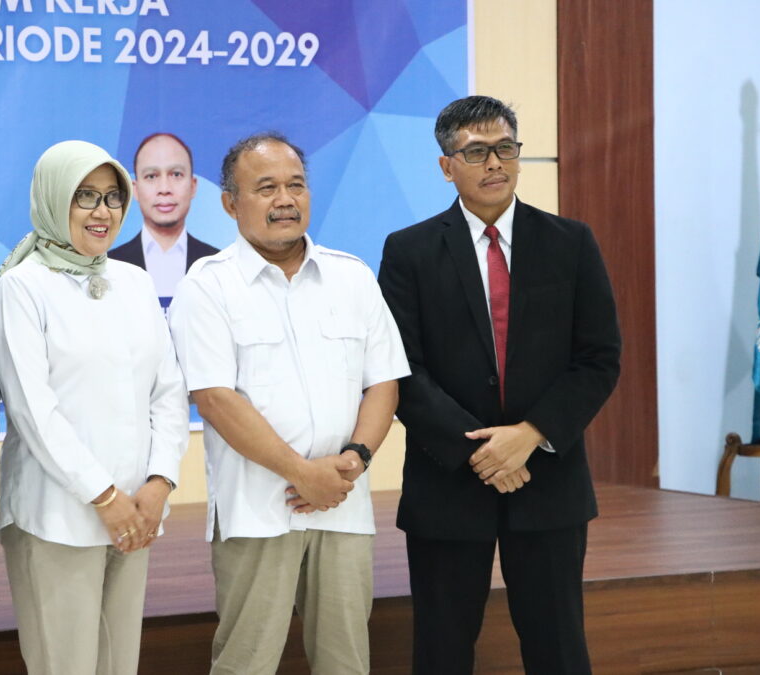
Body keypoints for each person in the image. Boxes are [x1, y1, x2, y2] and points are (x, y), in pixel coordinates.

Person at [377, 95, 621, 674]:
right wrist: (485, 451)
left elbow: (599, 358)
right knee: (441, 649)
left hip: (548, 478)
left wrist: (530, 434)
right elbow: (400, 368)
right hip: (448, 483)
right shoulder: (408, 251)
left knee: (558, 647)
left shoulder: (570, 242)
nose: (495, 164)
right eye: (477, 151)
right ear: (446, 166)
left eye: (505, 149)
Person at [169, 132, 410, 675]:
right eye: (266, 188)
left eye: (296, 185)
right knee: (246, 662)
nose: (285, 199)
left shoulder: (351, 276)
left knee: (346, 661)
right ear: (231, 203)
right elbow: (214, 398)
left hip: (344, 503)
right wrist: (302, 473)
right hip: (256, 510)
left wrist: (356, 458)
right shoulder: (208, 286)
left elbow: (384, 383)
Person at [0, 140, 188, 675]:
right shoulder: (20, 288)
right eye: (85, 197)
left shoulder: (135, 280)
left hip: (138, 512)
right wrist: (104, 495)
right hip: (58, 513)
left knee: (120, 664)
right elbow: (33, 410)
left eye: (113, 197)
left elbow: (168, 390)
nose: (103, 212)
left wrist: (160, 483)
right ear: (54, 200)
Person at [108, 132, 219, 303]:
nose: (164, 188)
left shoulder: (216, 265)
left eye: (176, 174)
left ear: (193, 186)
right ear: (135, 190)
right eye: (151, 176)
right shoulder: (109, 266)